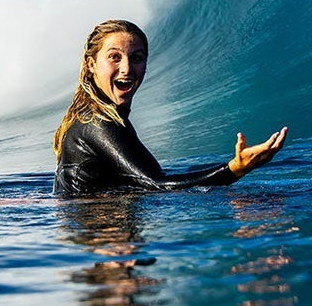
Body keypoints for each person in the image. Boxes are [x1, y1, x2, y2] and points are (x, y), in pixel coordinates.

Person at [53, 19, 287, 195]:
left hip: (98, 230)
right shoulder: (96, 123)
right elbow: (156, 184)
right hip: (100, 234)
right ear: (91, 64)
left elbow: (150, 180)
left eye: (137, 58)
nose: (127, 68)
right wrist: (235, 168)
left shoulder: (100, 119)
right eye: (114, 57)